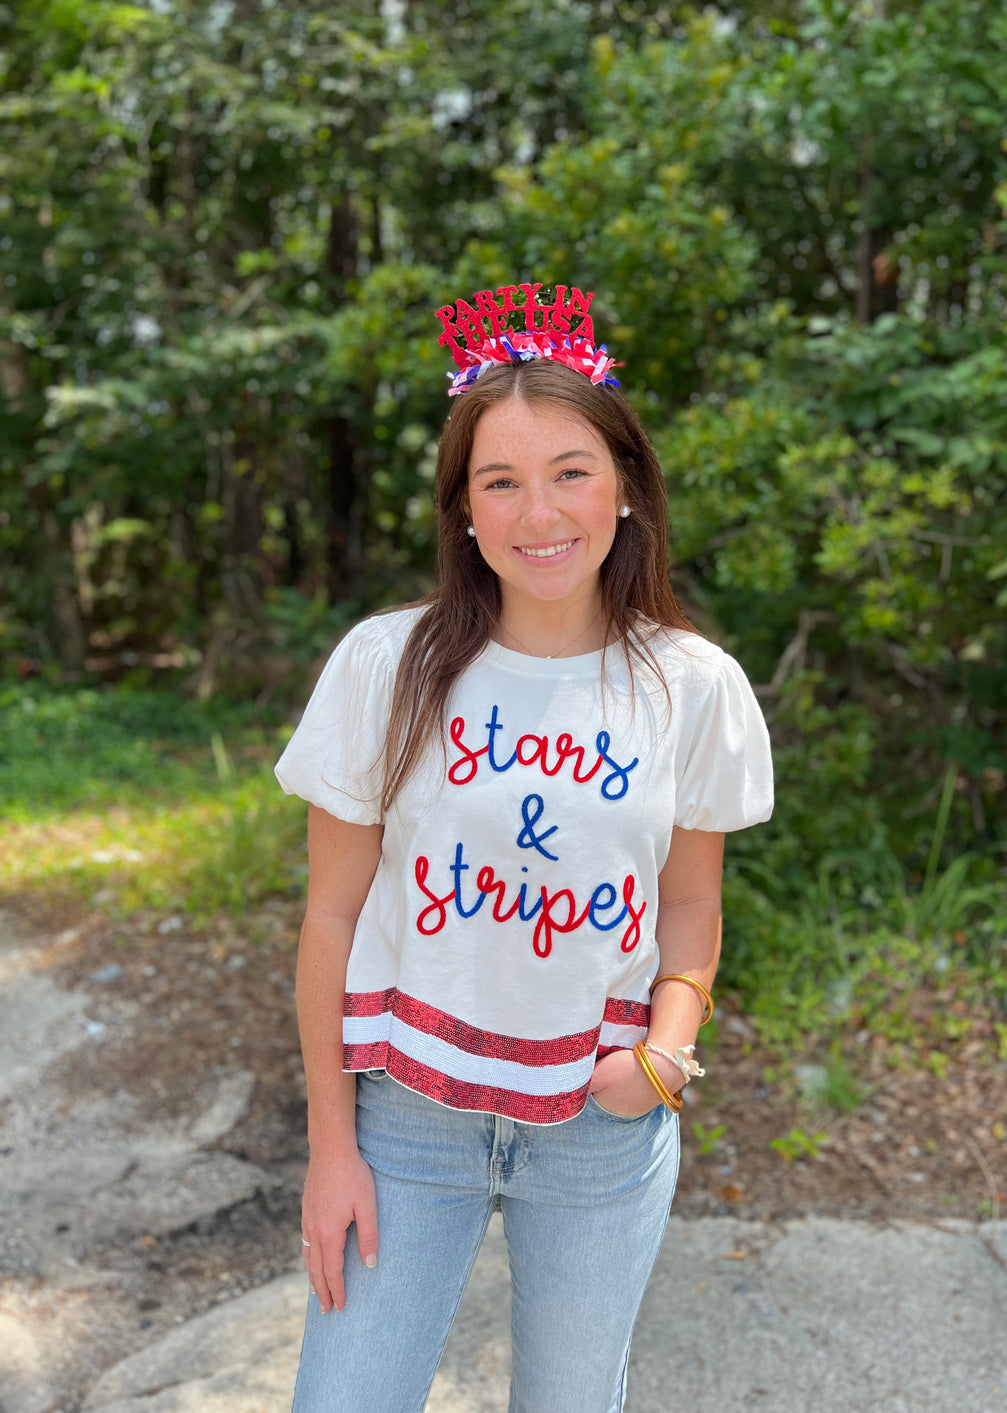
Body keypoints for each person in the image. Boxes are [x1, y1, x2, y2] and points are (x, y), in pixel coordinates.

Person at [274, 282, 773, 1413]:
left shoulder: (691, 688)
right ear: (462, 509)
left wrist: (664, 1054)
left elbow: (691, 906)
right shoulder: (383, 667)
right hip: (406, 1116)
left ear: (626, 489)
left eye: (570, 473)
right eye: (499, 481)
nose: (537, 512)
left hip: (602, 1130)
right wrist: (329, 1147)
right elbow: (331, 918)